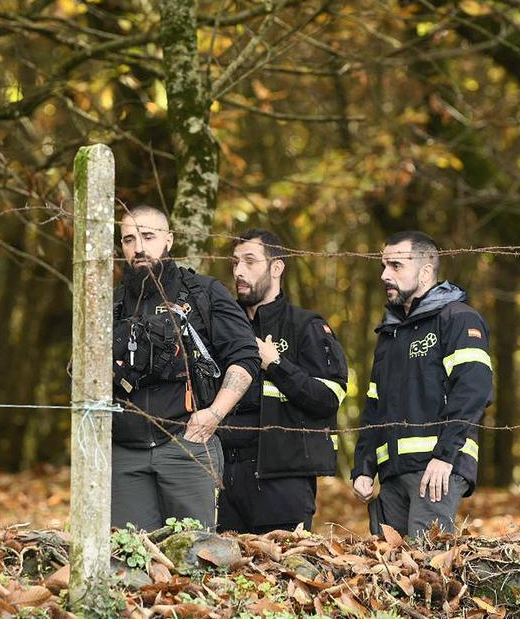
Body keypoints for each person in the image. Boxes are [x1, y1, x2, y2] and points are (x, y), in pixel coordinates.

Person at [111, 205, 260, 530]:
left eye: (148, 236)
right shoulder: (112, 303)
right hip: (124, 453)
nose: (138, 247)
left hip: (188, 444)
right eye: (129, 239)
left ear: (169, 239)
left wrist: (214, 414)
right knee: (128, 554)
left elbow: (246, 356)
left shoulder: (203, 292)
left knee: (194, 551)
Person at [351, 231, 493, 538]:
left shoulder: (459, 319)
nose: (384, 275)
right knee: (388, 559)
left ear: (426, 271)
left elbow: (474, 391)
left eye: (396, 266)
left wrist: (444, 456)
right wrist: (364, 466)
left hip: (436, 470)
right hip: (392, 473)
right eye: (383, 265)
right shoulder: (390, 332)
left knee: (426, 559)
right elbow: (374, 405)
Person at [217, 229, 349, 534]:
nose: (238, 271)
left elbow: (328, 398)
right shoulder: (223, 326)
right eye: (235, 262)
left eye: (250, 261)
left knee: (283, 564)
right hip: (223, 481)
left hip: (282, 484)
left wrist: (276, 365)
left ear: (277, 267)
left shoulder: (306, 326)